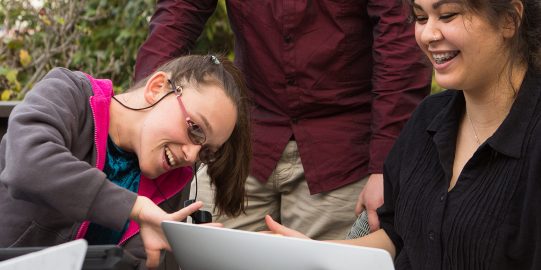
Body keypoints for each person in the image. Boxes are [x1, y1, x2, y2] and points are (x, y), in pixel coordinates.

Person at [266, 0, 541, 268]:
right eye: (421, 18)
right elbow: (396, 238)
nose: (428, 35)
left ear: (509, 20)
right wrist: (310, 252)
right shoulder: (427, 117)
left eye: (447, 15)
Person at [134, 1, 432, 240]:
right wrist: (142, 109)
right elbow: (178, 14)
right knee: (206, 252)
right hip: (247, 138)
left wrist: (385, 166)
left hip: (341, 151)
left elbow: (399, 40)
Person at [0, 54, 251, 269]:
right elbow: (28, 165)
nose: (192, 156)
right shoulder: (69, 93)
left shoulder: (172, 180)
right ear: (157, 88)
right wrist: (135, 207)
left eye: (206, 152)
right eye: (195, 129)